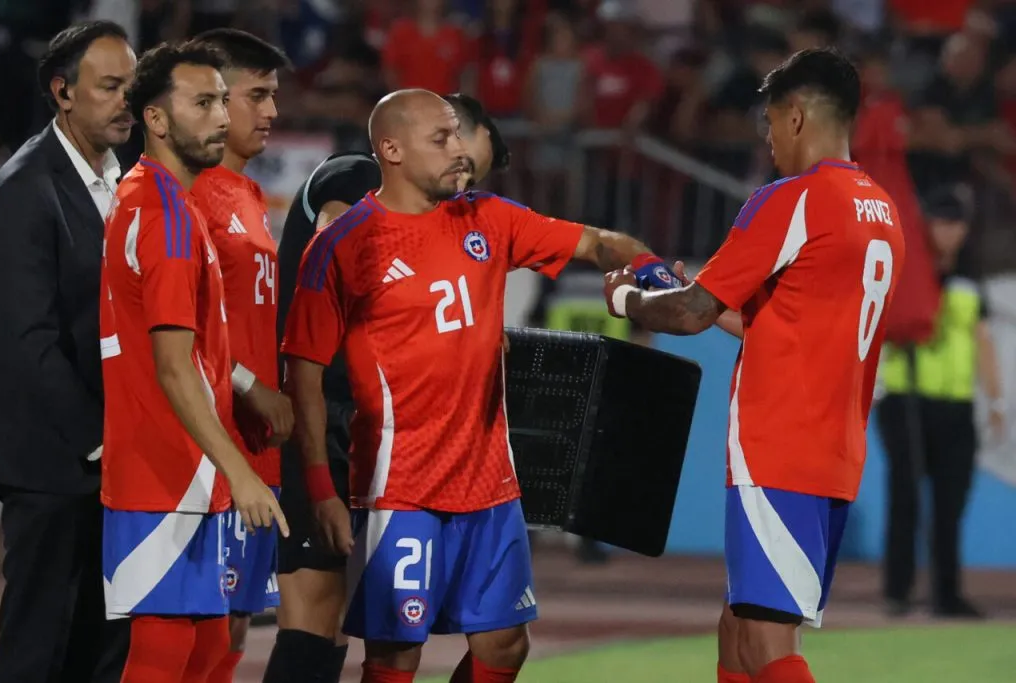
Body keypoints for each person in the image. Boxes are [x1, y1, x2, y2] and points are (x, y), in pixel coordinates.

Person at [280, 87, 668, 683]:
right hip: (397, 487)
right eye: (442, 139)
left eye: (459, 135)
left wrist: (652, 273)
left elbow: (596, 241)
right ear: (392, 149)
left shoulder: (488, 217)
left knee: (505, 645)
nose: (460, 151)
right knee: (393, 655)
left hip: (490, 483)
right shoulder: (343, 244)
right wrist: (321, 491)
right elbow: (303, 372)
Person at [602, 48, 906, 683]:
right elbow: (786, 321)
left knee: (769, 641)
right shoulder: (880, 210)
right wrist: (704, 300)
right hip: (833, 447)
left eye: (769, 123)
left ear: (795, 116)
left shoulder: (791, 199)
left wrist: (627, 298)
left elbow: (686, 314)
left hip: (779, 446)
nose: (767, 140)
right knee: (740, 625)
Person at [263, 91, 510, 683]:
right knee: (316, 614)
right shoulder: (358, 176)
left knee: (375, 621)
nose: (462, 175)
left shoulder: (437, 217)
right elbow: (343, 237)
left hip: (382, 433)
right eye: (459, 154)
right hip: (321, 416)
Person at [99, 40, 287, 683]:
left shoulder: (160, 200)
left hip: (186, 475)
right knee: (166, 655)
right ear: (156, 119)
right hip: (164, 474)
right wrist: (242, 469)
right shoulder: (165, 215)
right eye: (202, 102)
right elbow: (175, 366)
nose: (219, 116)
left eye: (219, 100)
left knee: (208, 649)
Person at [0, 20, 135, 683]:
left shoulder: (127, 180)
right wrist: (102, 437)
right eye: (109, 86)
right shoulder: (24, 189)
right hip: (54, 464)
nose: (125, 101)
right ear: (63, 92)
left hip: (115, 459)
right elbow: (29, 340)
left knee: (103, 644)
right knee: (38, 639)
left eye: (131, 86)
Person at [187, 28, 295, 683]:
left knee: (232, 624)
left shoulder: (249, 195)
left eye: (274, 95)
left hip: (258, 448)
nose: (272, 112)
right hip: (212, 449)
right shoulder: (191, 194)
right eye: (258, 95)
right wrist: (252, 382)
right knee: (200, 621)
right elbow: (173, 327)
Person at [877, 186, 1003, 619]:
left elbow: (982, 339)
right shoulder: (907, 272)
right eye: (942, 222)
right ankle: (897, 590)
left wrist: (997, 399)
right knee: (905, 500)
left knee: (950, 506)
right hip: (905, 396)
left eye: (957, 224)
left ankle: (946, 594)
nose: (950, 233)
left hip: (955, 405)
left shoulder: (970, 281)